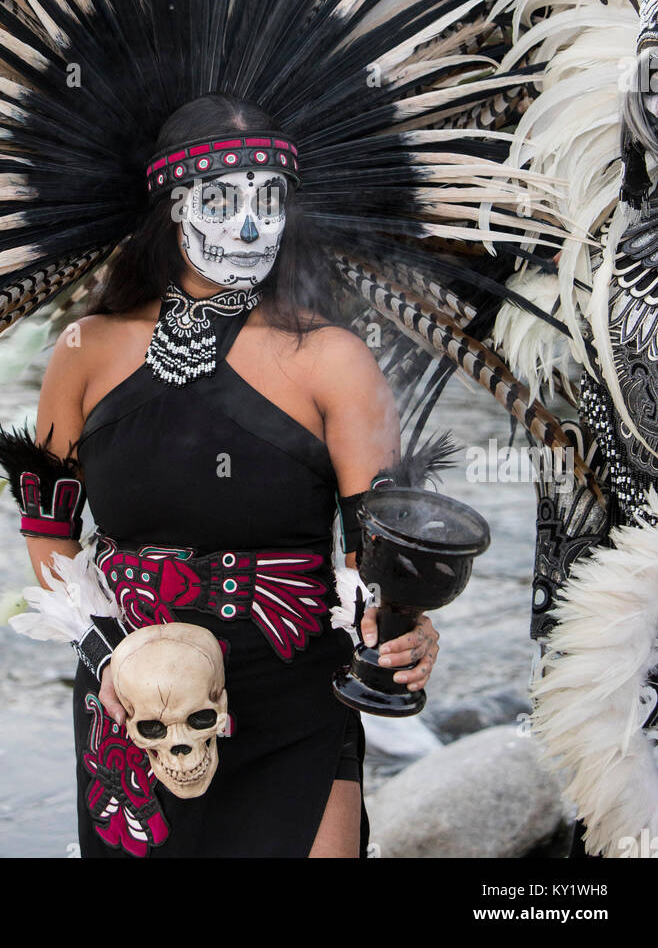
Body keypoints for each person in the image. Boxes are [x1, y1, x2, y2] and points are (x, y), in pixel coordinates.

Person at [23, 92, 440, 860]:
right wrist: (108, 654)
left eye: (270, 201)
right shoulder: (85, 349)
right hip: (139, 701)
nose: (250, 227)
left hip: (297, 693)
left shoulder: (334, 359)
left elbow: (377, 549)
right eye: (221, 201)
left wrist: (402, 628)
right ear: (171, 210)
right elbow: (48, 526)